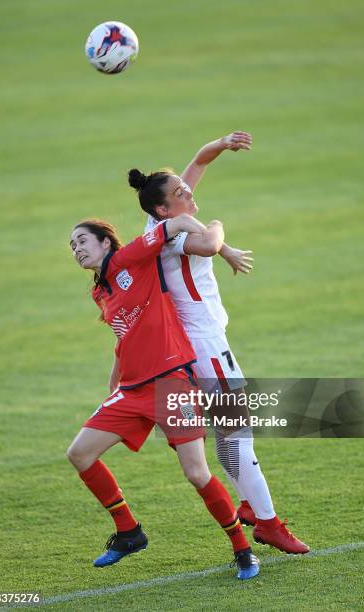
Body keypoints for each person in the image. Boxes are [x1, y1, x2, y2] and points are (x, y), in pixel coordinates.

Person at [125, 132, 310, 555]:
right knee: (238, 434)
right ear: (163, 209)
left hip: (200, 343)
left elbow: (199, 161)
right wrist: (220, 232)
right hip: (205, 345)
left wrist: (224, 143)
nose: (189, 193)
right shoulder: (173, 234)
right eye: (180, 193)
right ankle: (269, 524)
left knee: (229, 435)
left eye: (185, 188)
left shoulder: (161, 220)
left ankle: (249, 506)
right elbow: (208, 243)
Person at [67, 215, 260, 579]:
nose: (76, 249)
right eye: (72, 246)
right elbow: (124, 338)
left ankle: (243, 548)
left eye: (82, 241)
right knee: (79, 453)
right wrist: (115, 382)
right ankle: (129, 532)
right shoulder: (100, 290)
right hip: (131, 389)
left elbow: (178, 220)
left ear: (105, 242)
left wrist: (221, 243)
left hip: (172, 383)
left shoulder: (134, 258)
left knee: (196, 473)